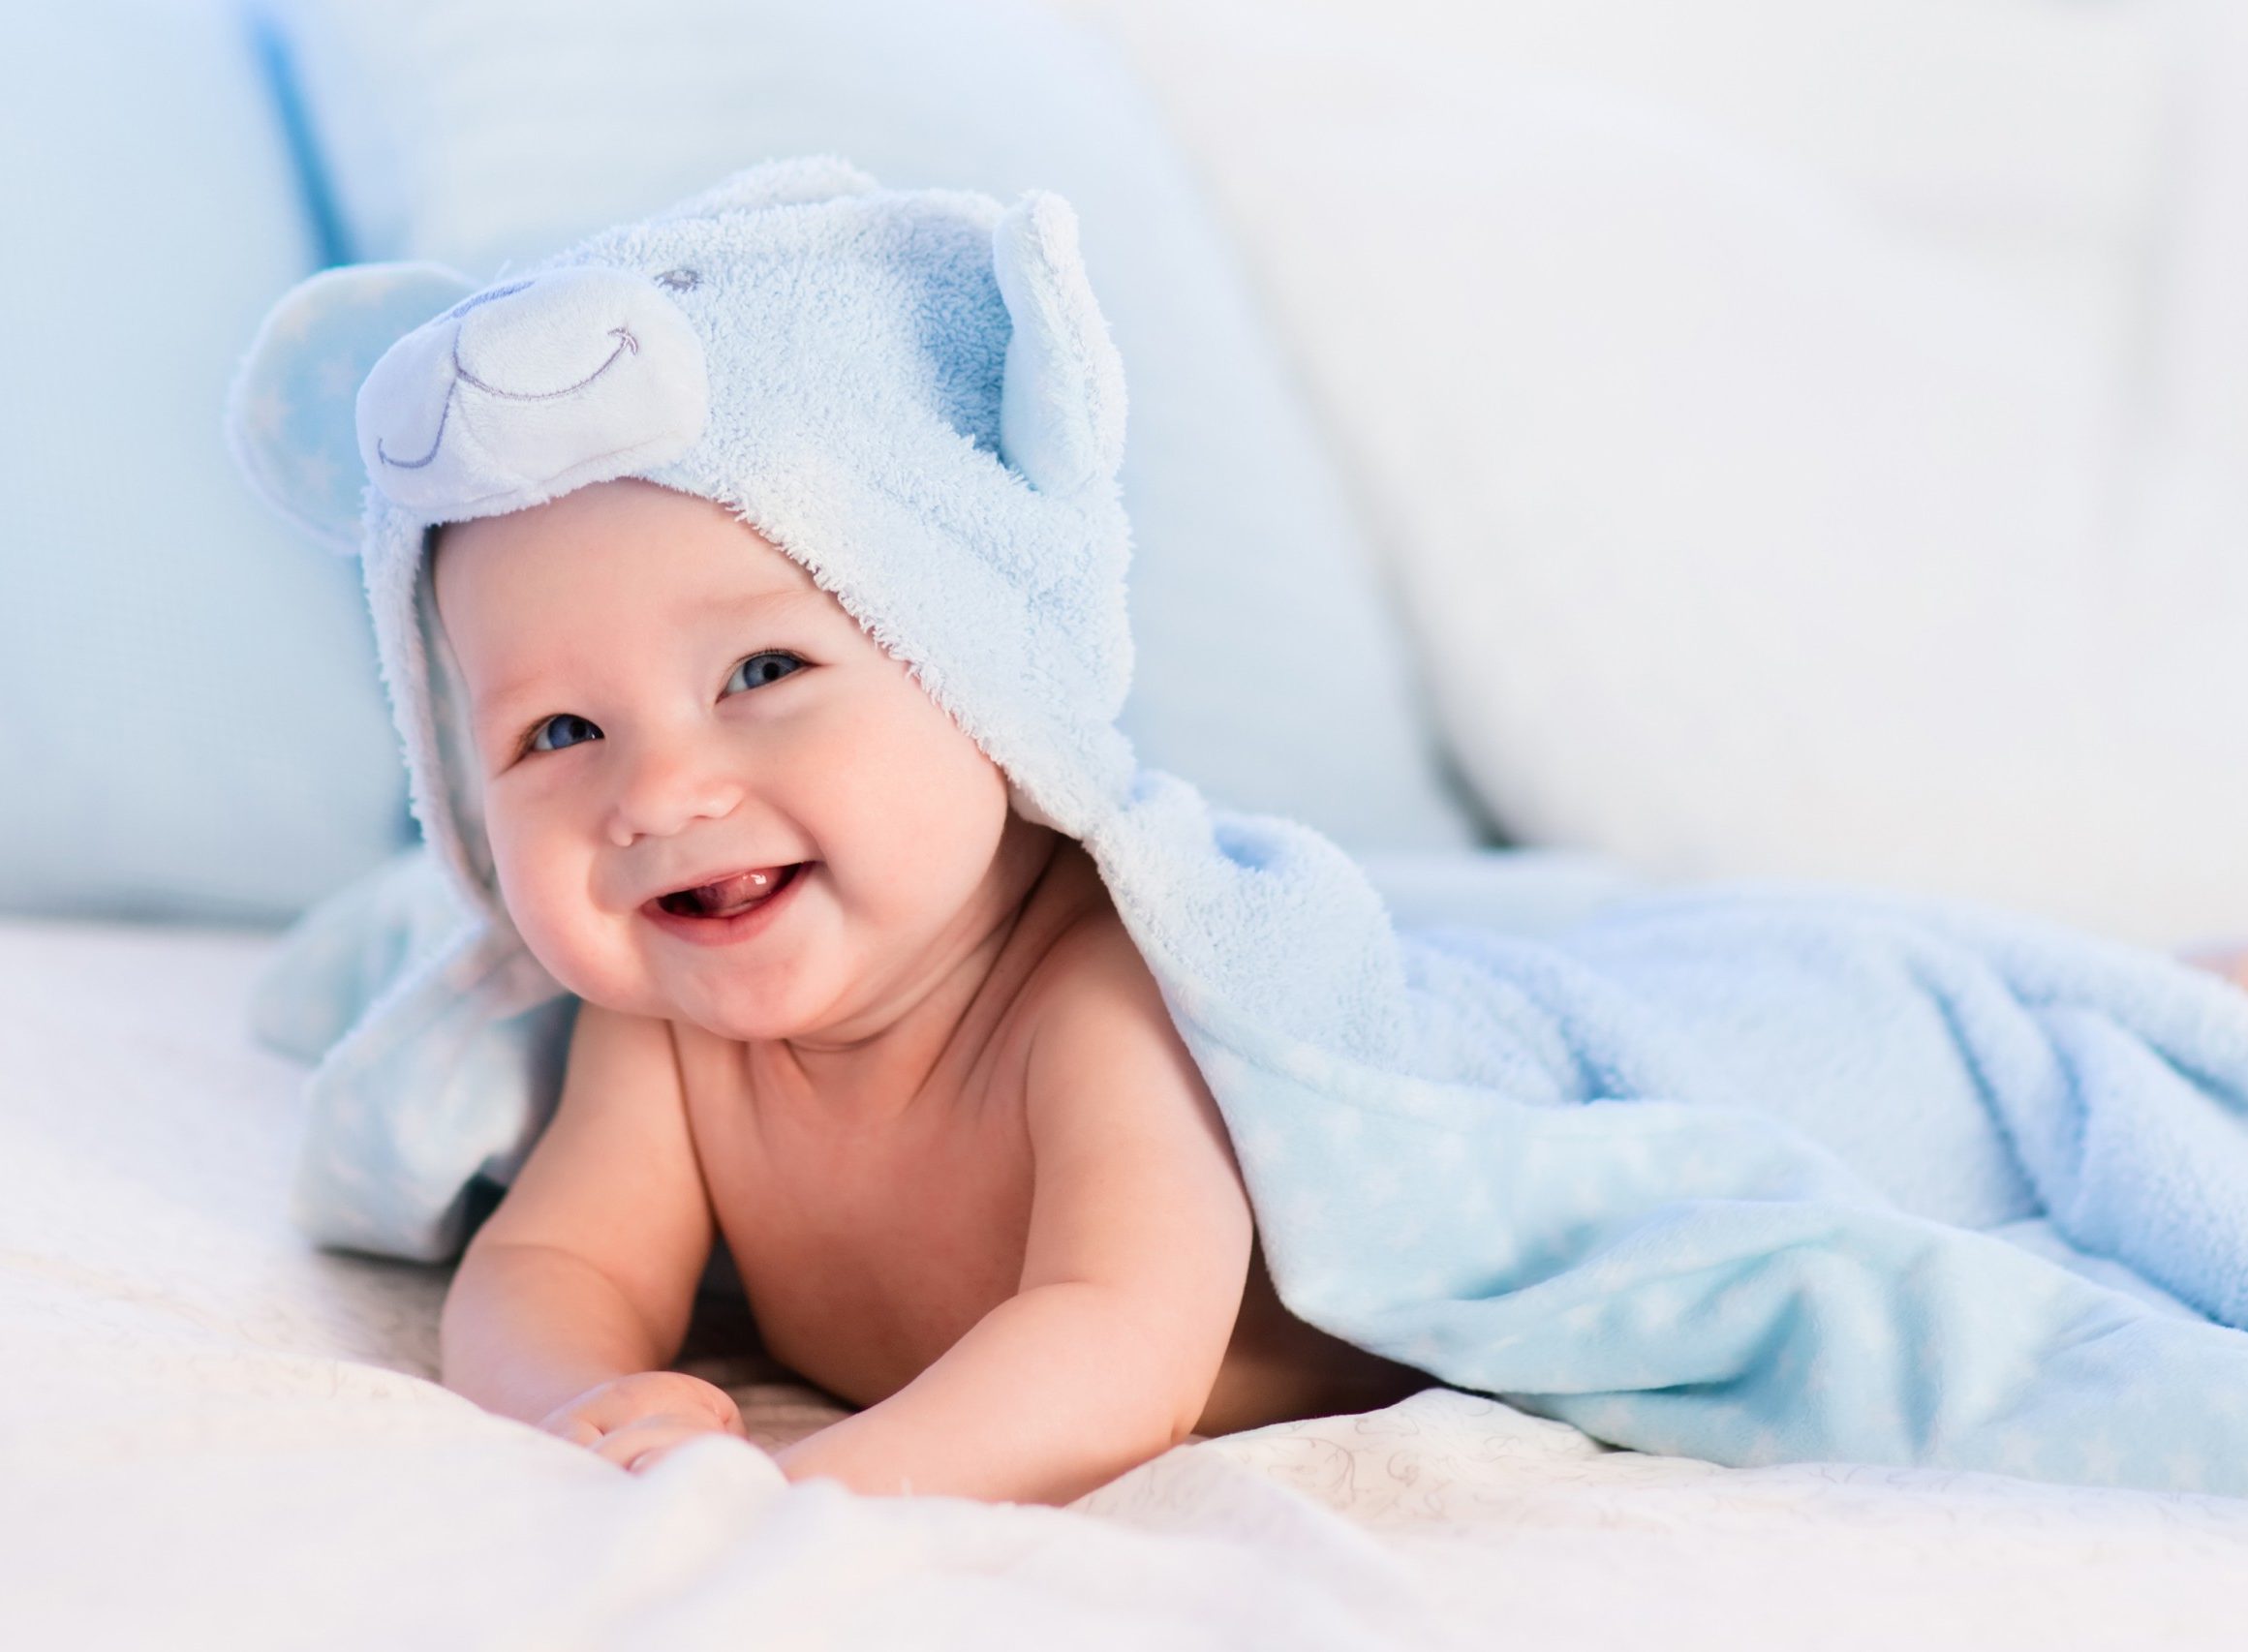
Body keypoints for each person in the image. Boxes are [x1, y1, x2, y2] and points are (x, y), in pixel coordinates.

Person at [430, 475, 1430, 1506]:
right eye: (558, 731)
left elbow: (1120, 1342)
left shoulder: (1106, 991)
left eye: (759, 671)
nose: (656, 793)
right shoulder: (671, 1021)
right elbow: (556, 1257)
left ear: (977, 677)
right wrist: (585, 1401)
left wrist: (803, 1492)